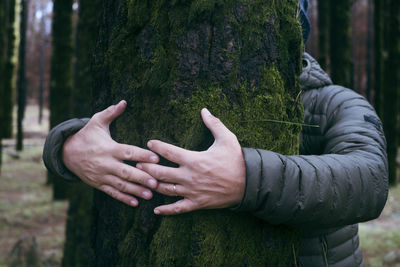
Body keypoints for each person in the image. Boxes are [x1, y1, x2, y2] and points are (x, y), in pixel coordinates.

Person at [43, 1, 388, 266]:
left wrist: (247, 179)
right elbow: (97, 129)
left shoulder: (333, 102)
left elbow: (370, 180)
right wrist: (68, 148)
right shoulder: (165, 83)